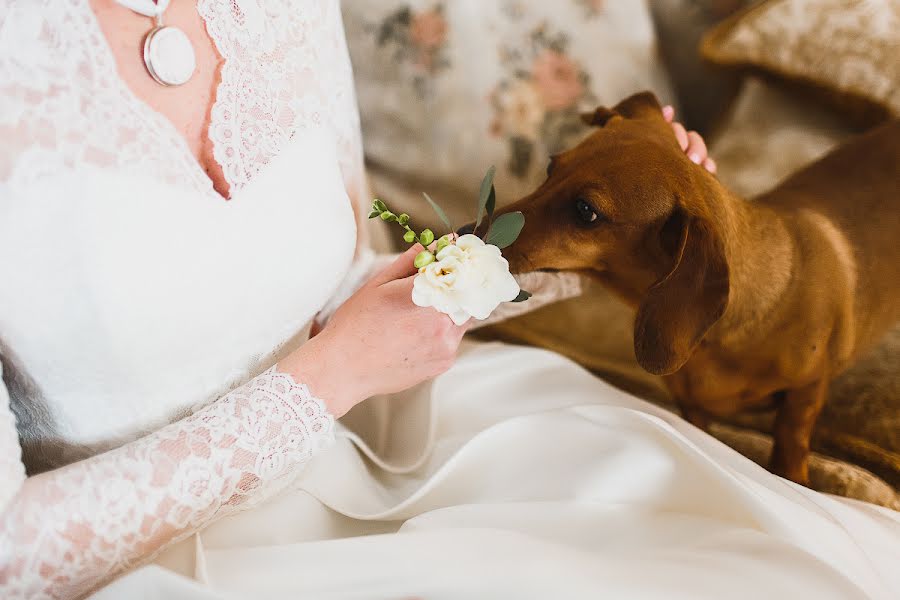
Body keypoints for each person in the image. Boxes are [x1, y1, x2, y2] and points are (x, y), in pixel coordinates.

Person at [1, 1, 897, 598]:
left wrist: (629, 245)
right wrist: (322, 382)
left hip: (407, 440)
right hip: (162, 559)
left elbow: (346, 276)